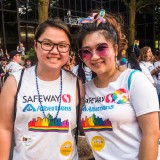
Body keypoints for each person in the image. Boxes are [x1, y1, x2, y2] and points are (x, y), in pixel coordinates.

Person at [77, 9, 160, 159]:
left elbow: (152, 135)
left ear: (115, 49)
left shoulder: (134, 80)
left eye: (101, 48)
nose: (94, 57)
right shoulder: (85, 90)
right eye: (86, 51)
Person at [0, 18, 84, 160]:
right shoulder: (15, 82)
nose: (55, 51)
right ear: (35, 45)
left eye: (62, 45)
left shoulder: (76, 84)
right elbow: (4, 129)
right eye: (47, 44)